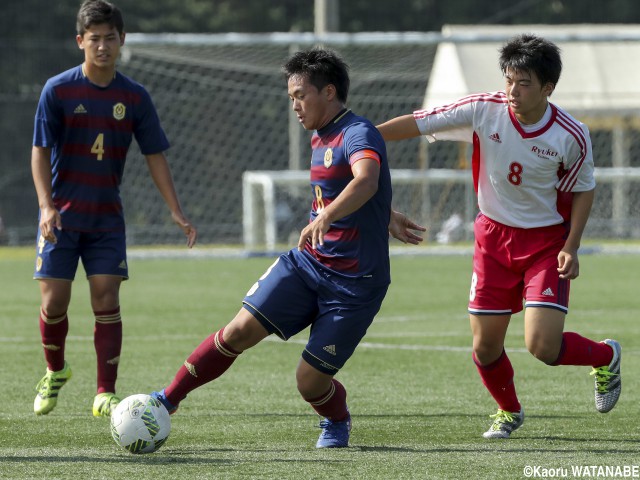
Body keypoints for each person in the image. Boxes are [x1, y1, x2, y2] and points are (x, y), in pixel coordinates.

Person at [151, 47, 401, 449]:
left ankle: (336, 419)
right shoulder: (320, 136)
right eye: (291, 98)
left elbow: (366, 180)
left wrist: (326, 217)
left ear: (330, 91)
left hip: (355, 284)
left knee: (309, 381)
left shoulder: (358, 131)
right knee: (237, 331)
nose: (295, 106)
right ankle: (166, 401)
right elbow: (348, 189)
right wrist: (386, 214)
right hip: (308, 265)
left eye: (301, 95)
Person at [376, 34, 621, 439]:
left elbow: (584, 188)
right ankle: (508, 411)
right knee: (485, 347)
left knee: (542, 346)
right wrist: (359, 136)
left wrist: (572, 246)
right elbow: (421, 123)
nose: (512, 90)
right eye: (508, 79)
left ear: (547, 88)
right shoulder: (483, 110)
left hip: (545, 244)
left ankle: (605, 355)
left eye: (524, 83)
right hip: (492, 241)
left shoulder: (570, 134)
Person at [31, 0, 197, 418]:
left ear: (121, 40)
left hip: (106, 219)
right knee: (54, 304)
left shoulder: (134, 97)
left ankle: (105, 391)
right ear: (80, 42)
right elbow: (39, 150)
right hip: (62, 219)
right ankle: (55, 369)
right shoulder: (58, 90)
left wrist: (175, 210)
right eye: (94, 39)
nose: (102, 46)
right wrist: (45, 206)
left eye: (110, 38)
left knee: (106, 299)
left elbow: (155, 154)